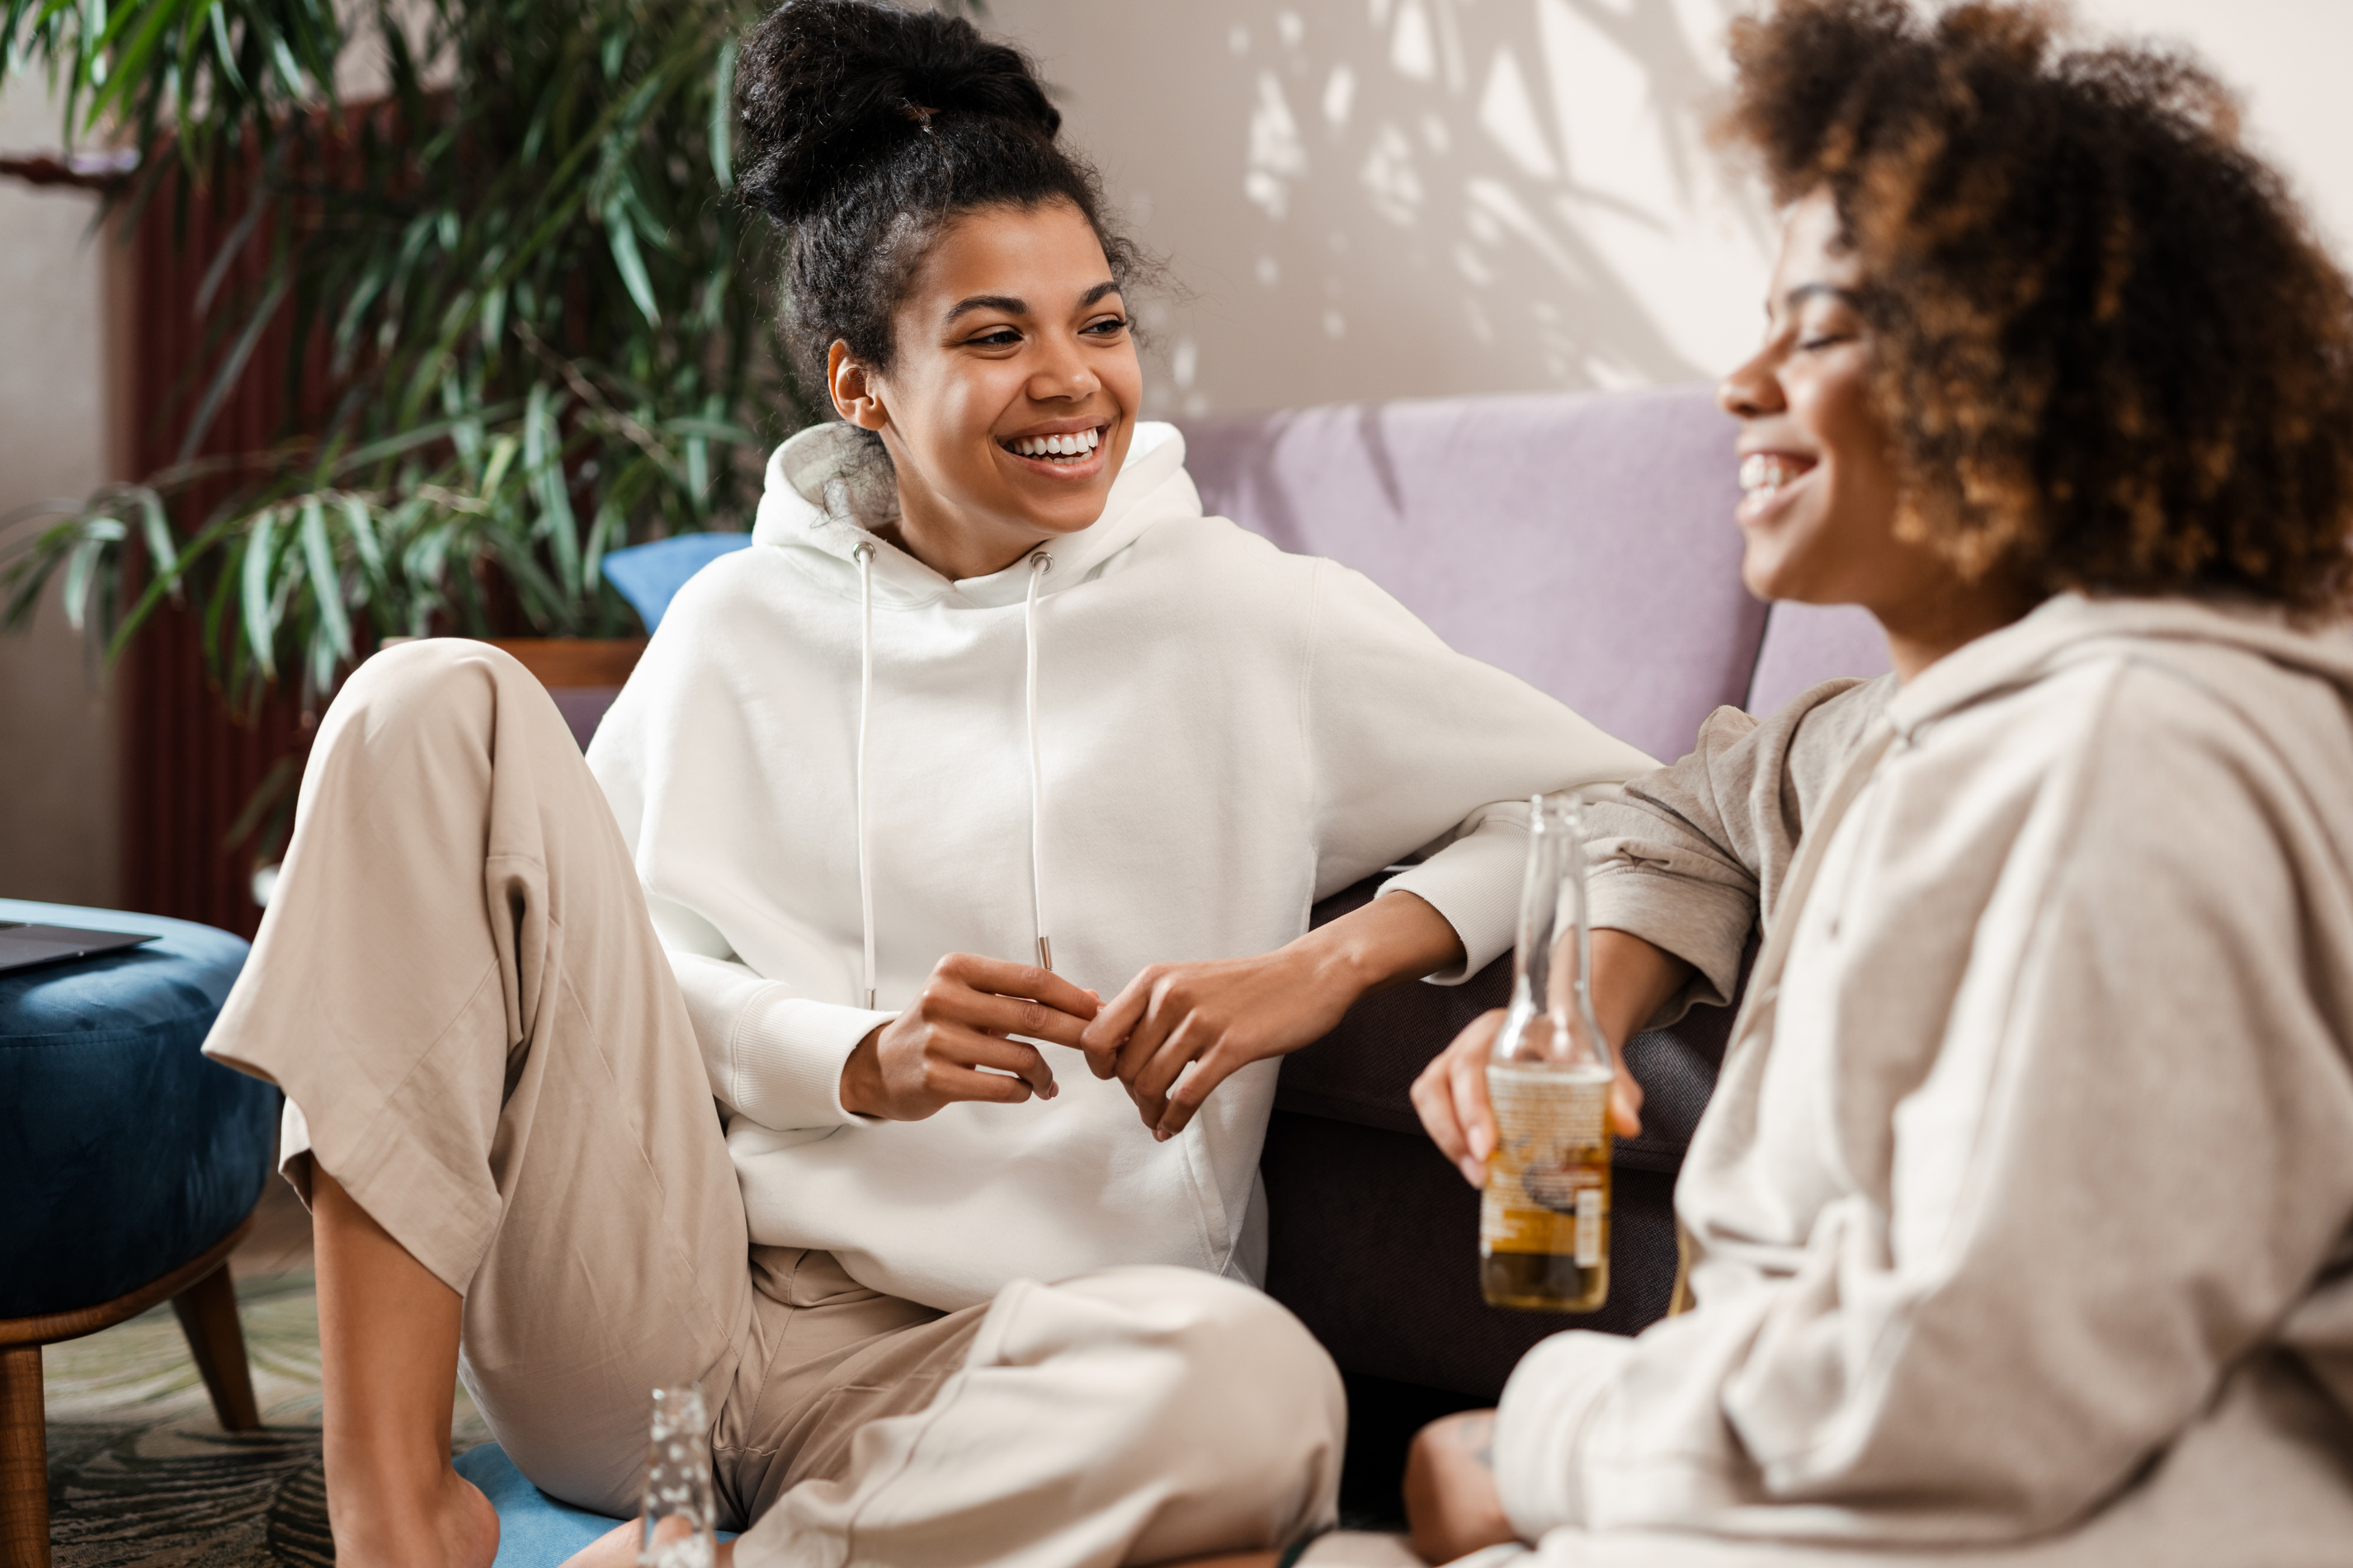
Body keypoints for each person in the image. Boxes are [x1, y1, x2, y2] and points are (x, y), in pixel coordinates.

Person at [198, 2, 1655, 1565]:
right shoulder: (735, 628)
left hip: (1017, 1358)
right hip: (661, 1324)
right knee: (425, 696)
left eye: (1098, 324)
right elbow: (599, 998)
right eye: (992, 334)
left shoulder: (1249, 616)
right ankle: (393, 1523)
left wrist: (1333, 960)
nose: (1071, 380)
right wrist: (853, 1057)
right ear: (861, 386)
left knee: (1265, 1393)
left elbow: (1625, 803)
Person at [1402, 2, 2353, 1564]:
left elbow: (1971, 1394)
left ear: (2022, 378)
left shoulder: (2122, 758)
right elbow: (1689, 800)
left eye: (1821, 327)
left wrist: (1540, 1438)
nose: (1741, 382)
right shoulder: (1922, 727)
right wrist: (1570, 1001)